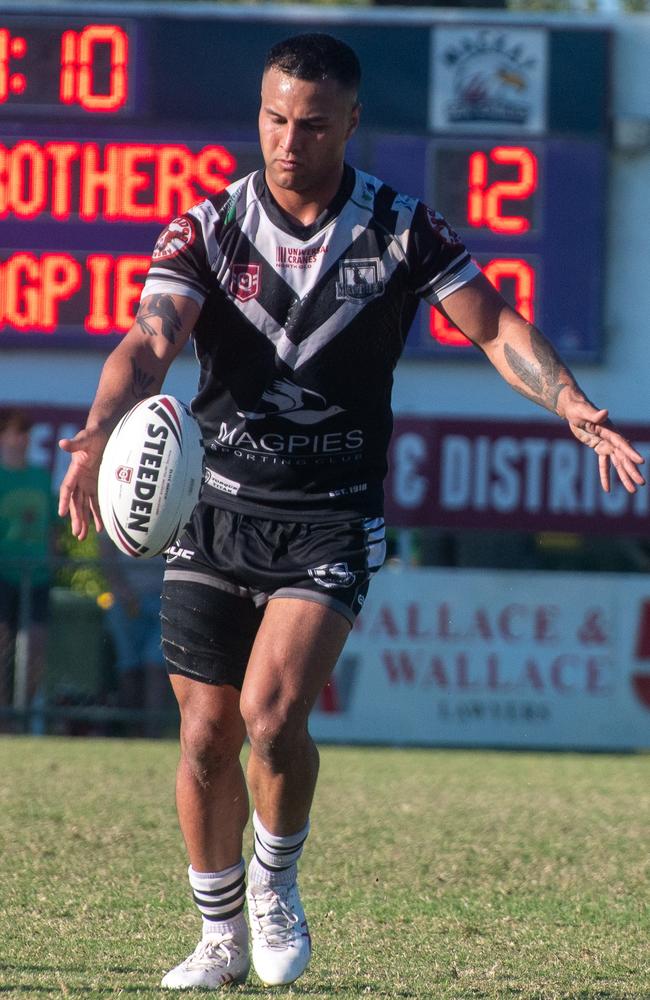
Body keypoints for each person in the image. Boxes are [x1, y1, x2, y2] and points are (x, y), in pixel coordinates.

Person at [57, 33, 645, 991]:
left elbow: (493, 324)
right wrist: (96, 430)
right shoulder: (207, 228)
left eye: (314, 124)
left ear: (352, 123)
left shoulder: (405, 229)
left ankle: (276, 881)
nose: (290, 141)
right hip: (214, 509)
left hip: (330, 514)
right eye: (275, 119)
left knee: (271, 714)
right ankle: (217, 936)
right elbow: (150, 338)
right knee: (205, 735)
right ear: (259, 114)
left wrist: (571, 402)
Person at [0, 409, 55, 718]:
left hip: (37, 577)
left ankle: (21, 714)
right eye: (15, 433)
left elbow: (50, 529)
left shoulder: (40, 477)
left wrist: (51, 561)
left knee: (35, 646)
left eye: (25, 434)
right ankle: (3, 716)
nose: (21, 440)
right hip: (3, 576)